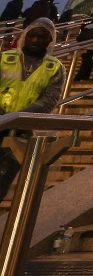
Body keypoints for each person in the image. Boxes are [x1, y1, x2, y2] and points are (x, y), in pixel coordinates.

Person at [0, 19, 65, 200]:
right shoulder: (4, 58)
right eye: (32, 35)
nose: (35, 40)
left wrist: (20, 118)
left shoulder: (54, 67)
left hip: (22, 132)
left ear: (50, 40)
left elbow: (50, 99)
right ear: (24, 36)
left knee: (2, 181)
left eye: (41, 37)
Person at [75, 15, 93, 82]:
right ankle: (78, 77)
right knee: (87, 62)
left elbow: (79, 37)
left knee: (87, 61)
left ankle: (85, 77)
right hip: (91, 47)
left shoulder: (85, 27)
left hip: (82, 46)